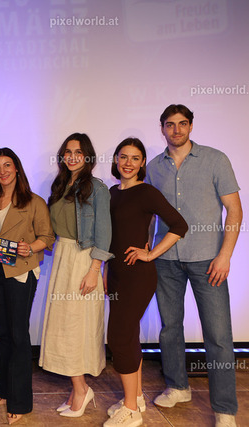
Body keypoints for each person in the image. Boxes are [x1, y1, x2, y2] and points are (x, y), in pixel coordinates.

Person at [147, 104, 242, 427]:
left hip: (208, 260)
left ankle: (225, 409)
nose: (176, 130)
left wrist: (225, 255)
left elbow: (235, 211)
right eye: (170, 124)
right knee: (170, 328)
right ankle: (177, 387)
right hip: (166, 261)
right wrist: (148, 248)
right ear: (162, 128)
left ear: (191, 126)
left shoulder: (215, 159)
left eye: (182, 123)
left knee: (218, 335)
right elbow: (150, 214)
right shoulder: (153, 167)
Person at [103, 138, 187, 427]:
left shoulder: (147, 192)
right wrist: (105, 269)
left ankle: (131, 411)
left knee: (118, 338)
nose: (128, 163)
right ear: (116, 160)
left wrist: (150, 254)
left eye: (135, 158)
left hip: (138, 277)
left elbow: (179, 225)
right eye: (123, 157)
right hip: (116, 274)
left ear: (142, 163)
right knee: (128, 337)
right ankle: (136, 397)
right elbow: (112, 237)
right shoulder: (112, 193)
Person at [0, 148, 55, 425]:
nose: (2, 171)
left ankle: (20, 402)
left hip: (21, 272)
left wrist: (29, 247)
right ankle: (6, 392)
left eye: (7, 165)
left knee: (19, 335)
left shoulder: (34, 201)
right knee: (3, 334)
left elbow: (48, 237)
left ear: (17, 168)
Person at [38, 133, 112, 418]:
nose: (72, 157)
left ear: (88, 156)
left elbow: (104, 234)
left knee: (77, 329)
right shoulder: (60, 186)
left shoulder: (97, 188)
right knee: (64, 327)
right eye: (67, 152)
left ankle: (81, 390)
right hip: (62, 257)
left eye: (78, 152)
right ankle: (77, 389)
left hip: (84, 260)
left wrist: (95, 270)